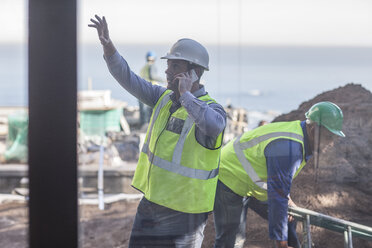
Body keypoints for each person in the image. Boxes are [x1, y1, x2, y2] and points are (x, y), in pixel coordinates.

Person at [89, 15, 226, 247]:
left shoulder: (212, 109)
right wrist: (108, 46)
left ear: (193, 73)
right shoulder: (162, 98)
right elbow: (127, 78)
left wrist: (186, 96)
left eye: (175, 66)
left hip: (185, 216)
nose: (166, 71)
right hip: (152, 205)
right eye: (168, 65)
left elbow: (214, 126)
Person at [213, 101, 345, 248]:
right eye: (329, 138)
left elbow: (279, 180)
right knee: (231, 241)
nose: (331, 143)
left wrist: (287, 200)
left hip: (247, 177)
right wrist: (281, 243)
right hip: (229, 176)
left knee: (290, 218)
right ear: (314, 130)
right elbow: (277, 197)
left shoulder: (300, 136)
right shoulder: (289, 149)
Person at [138, 51, 165, 127]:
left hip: (141, 90)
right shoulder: (152, 66)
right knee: (150, 110)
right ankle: (149, 126)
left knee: (143, 111)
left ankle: (143, 125)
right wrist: (164, 80)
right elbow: (153, 76)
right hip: (150, 90)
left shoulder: (144, 67)